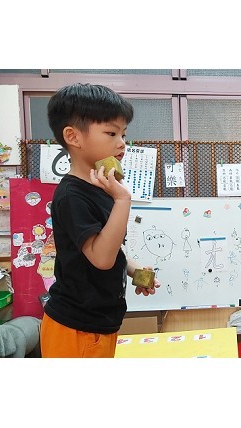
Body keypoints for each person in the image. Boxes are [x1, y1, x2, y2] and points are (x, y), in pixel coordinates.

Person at [40, 83, 160, 358]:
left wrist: (135, 271)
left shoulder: (101, 189)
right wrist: (123, 199)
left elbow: (111, 249)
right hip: (75, 328)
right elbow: (101, 258)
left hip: (98, 324)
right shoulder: (71, 195)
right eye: (111, 133)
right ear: (73, 136)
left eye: (123, 134)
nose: (122, 143)